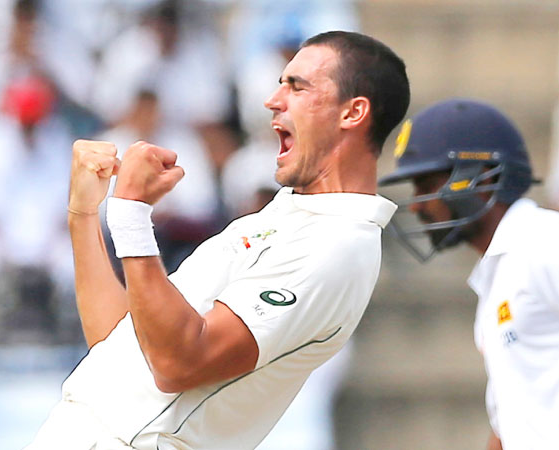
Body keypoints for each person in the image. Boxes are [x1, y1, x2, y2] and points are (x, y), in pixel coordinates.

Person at [24, 30, 409, 449]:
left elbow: (176, 363)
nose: (273, 100)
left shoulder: (337, 243)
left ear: (353, 113)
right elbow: (122, 343)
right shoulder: (283, 218)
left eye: (298, 87)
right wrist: (83, 216)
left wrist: (131, 214)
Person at [379, 98, 559, 450]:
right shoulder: (497, 276)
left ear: (481, 179)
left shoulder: (554, 243)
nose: (418, 204)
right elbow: (511, 425)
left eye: (425, 185)